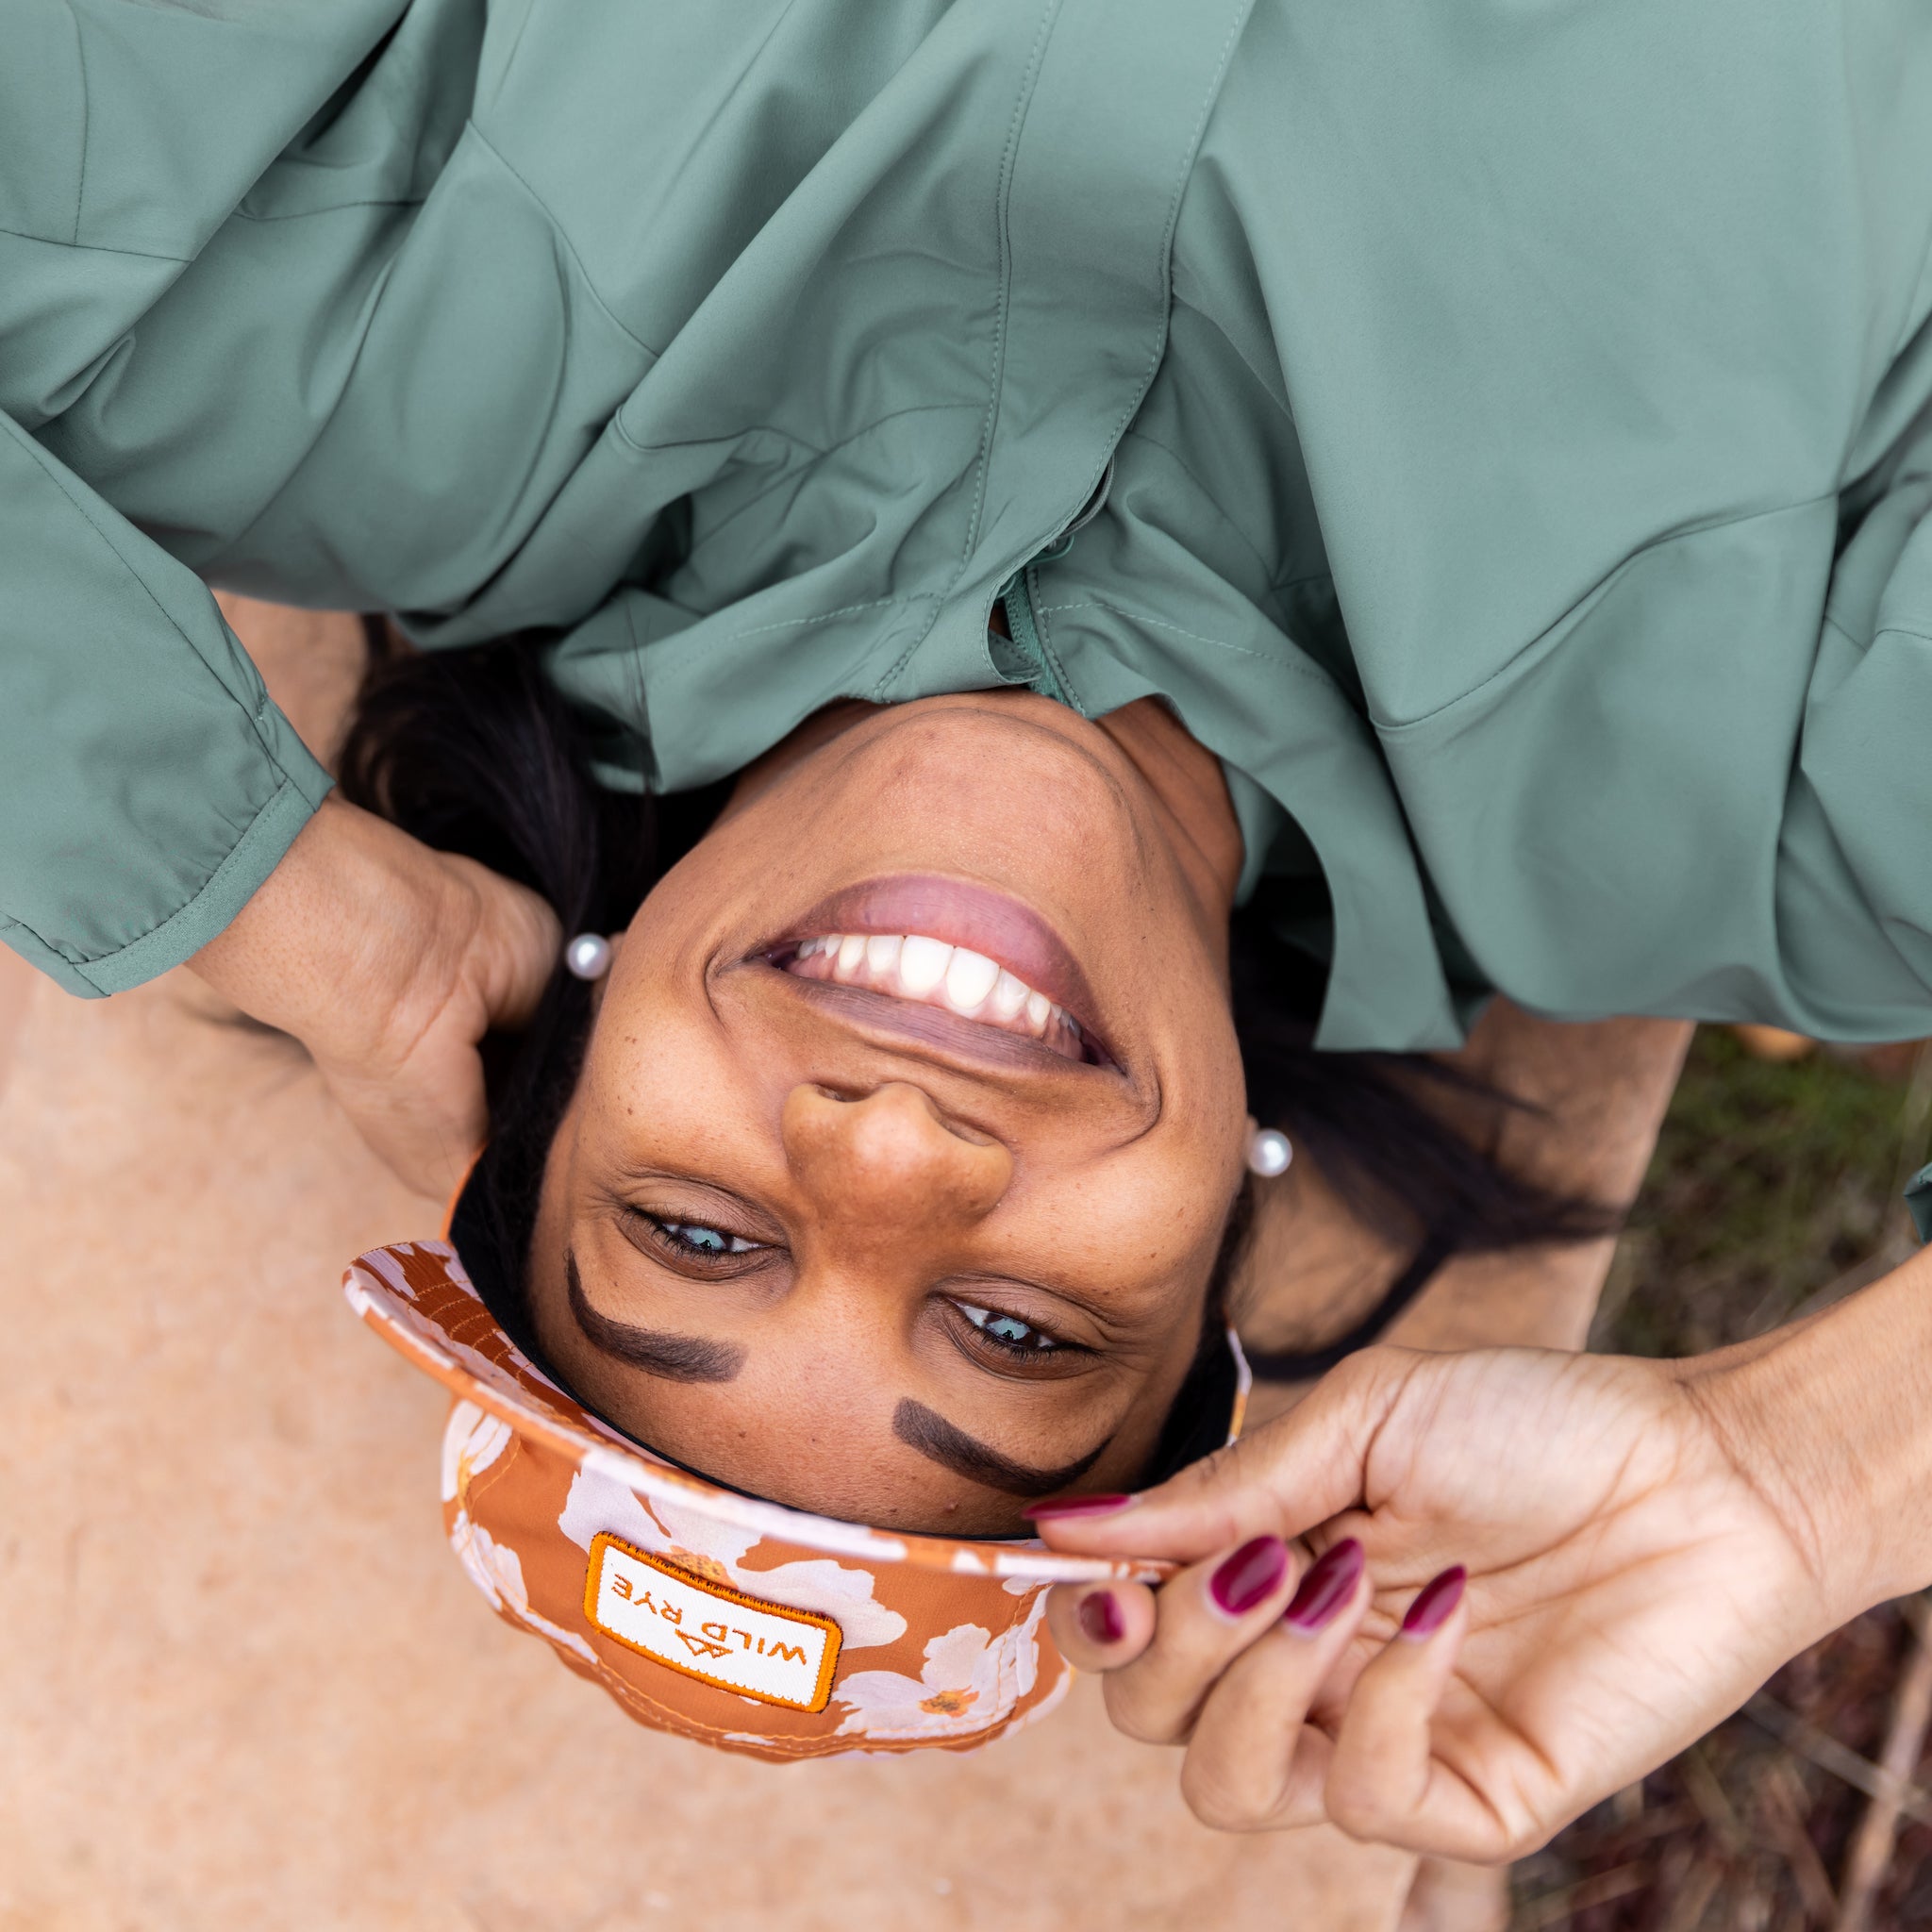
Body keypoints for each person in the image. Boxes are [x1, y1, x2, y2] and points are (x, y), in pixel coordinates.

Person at [2, 0, 1929, 1863]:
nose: (895, 1148)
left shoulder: (291, 354)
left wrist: (280, 903)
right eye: (1014, 1325)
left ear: (558, 1065)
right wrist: (1805, 1476)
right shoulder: (1771, 821)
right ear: (1213, 1259)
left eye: (697, 1229)